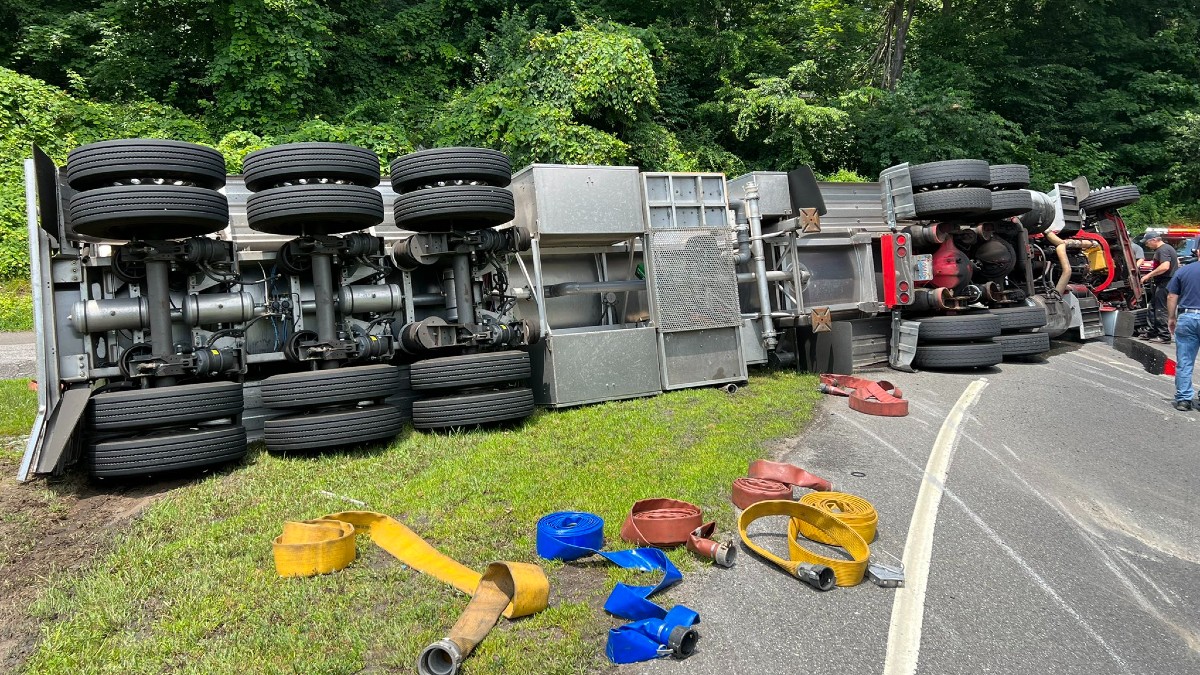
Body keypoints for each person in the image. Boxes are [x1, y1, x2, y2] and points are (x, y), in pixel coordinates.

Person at [1167, 258, 1200, 410]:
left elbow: (1171, 296)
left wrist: (1171, 318)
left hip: (1187, 316)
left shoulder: (1184, 270)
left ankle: (1184, 400)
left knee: (1185, 360)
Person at [1141, 234, 1179, 343]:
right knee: (1153, 307)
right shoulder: (1166, 248)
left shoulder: (1163, 249)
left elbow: (1165, 266)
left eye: (1147, 242)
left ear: (1154, 240)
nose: (1147, 245)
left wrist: (1148, 275)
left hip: (1165, 282)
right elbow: (1177, 262)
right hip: (1163, 282)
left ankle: (1164, 335)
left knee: (1160, 308)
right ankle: (1152, 331)